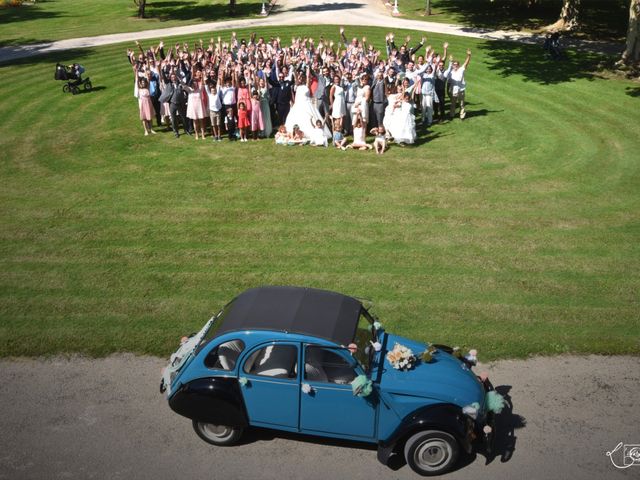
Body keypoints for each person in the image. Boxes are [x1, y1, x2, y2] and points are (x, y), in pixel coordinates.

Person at [285, 69, 330, 138]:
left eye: (302, 78)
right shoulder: (297, 85)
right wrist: (294, 67)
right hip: (298, 105)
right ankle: (296, 133)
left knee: (310, 118)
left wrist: (308, 67)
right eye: (300, 78)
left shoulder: (307, 85)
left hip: (307, 104)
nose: (301, 79)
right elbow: (296, 77)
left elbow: (308, 77)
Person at [158, 72, 192, 137]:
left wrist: (182, 84)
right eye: (172, 77)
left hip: (180, 103)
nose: (173, 78)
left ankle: (186, 130)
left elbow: (186, 89)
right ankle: (176, 132)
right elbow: (164, 78)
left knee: (183, 118)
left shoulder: (180, 84)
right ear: (170, 78)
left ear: (176, 78)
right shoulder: (169, 84)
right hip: (172, 104)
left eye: (174, 77)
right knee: (173, 119)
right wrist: (160, 69)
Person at [444, 49, 471, 120]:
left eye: (456, 64)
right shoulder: (450, 72)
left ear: (458, 65)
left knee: (461, 104)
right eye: (454, 64)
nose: (455, 66)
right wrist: (448, 91)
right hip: (453, 91)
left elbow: (466, 63)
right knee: (453, 104)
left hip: (461, 90)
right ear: (452, 65)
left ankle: (462, 115)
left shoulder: (461, 69)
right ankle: (452, 115)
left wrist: (468, 55)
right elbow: (448, 82)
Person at [185, 70, 207, 140]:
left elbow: (203, 84)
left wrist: (203, 75)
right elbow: (185, 84)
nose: (194, 85)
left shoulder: (200, 89)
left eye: (195, 84)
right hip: (193, 109)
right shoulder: (189, 90)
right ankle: (196, 134)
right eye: (193, 84)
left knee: (201, 122)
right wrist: (192, 71)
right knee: (195, 122)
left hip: (199, 108)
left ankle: (203, 134)